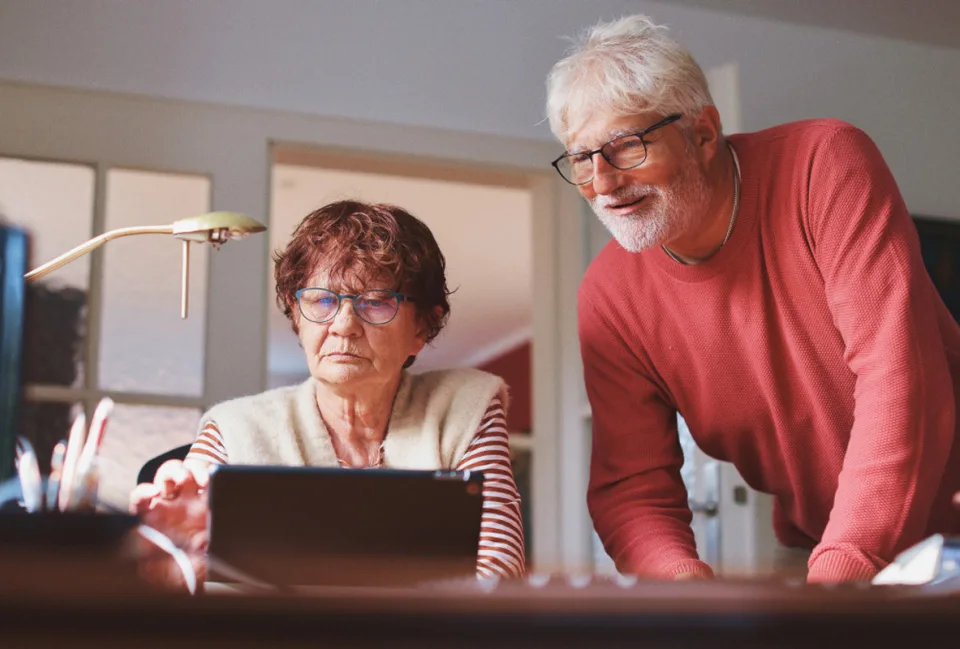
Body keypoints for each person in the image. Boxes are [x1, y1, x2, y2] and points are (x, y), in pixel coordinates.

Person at [545, 14, 960, 582]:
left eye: (626, 147)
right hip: (819, 542)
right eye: (581, 159)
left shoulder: (827, 165)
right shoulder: (608, 297)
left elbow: (898, 377)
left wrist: (846, 565)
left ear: (704, 134)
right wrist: (687, 595)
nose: (604, 183)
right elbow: (632, 487)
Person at [131, 200, 525, 587]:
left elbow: (498, 574)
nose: (344, 325)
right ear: (296, 314)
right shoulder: (233, 428)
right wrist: (170, 549)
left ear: (422, 327)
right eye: (321, 300)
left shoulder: (465, 408)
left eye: (375, 302)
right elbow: (178, 572)